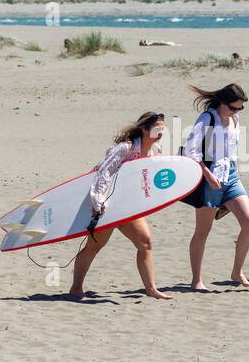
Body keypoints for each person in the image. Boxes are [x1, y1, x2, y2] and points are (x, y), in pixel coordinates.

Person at [69, 112, 172, 301]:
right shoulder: (125, 148)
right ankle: (76, 288)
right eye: (157, 128)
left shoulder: (155, 151)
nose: (161, 132)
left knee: (145, 243)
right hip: (106, 205)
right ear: (144, 129)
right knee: (94, 246)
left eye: (162, 128)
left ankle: (151, 289)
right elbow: (103, 173)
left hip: (128, 207)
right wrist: (97, 202)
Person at [182, 83, 249, 288]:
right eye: (233, 107)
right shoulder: (208, 118)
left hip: (231, 175)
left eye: (240, 108)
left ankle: (237, 272)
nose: (236, 112)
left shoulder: (235, 119)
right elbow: (190, 150)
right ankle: (196, 280)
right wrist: (207, 174)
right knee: (203, 231)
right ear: (222, 102)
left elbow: (231, 150)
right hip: (210, 178)